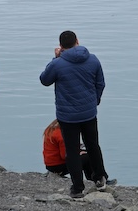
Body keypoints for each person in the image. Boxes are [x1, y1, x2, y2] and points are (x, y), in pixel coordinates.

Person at [39, 30, 110, 199]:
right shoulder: (93, 59)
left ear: (61, 46)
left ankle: (77, 187)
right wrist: (95, 101)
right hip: (89, 112)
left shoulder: (58, 64)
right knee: (93, 144)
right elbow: (100, 83)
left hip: (67, 116)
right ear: (77, 41)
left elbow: (44, 80)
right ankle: (100, 178)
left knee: (71, 150)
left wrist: (55, 58)